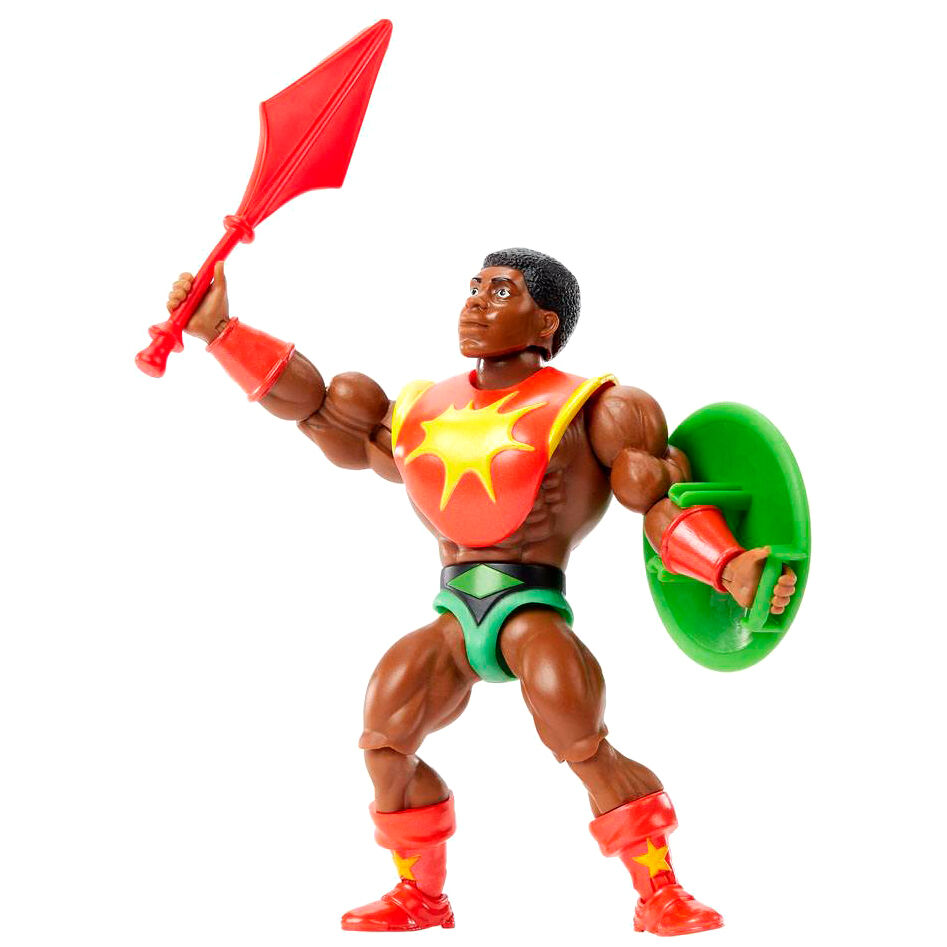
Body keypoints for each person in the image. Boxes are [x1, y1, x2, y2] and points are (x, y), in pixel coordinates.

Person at [166, 247, 796, 936]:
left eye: (500, 291)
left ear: (545, 322)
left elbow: (656, 498)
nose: (474, 302)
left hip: (532, 607)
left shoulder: (600, 408)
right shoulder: (422, 409)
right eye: (474, 287)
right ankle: (420, 894)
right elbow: (318, 408)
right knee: (383, 737)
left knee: (581, 741)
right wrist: (221, 331)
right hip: (454, 613)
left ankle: (660, 891)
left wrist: (727, 566)